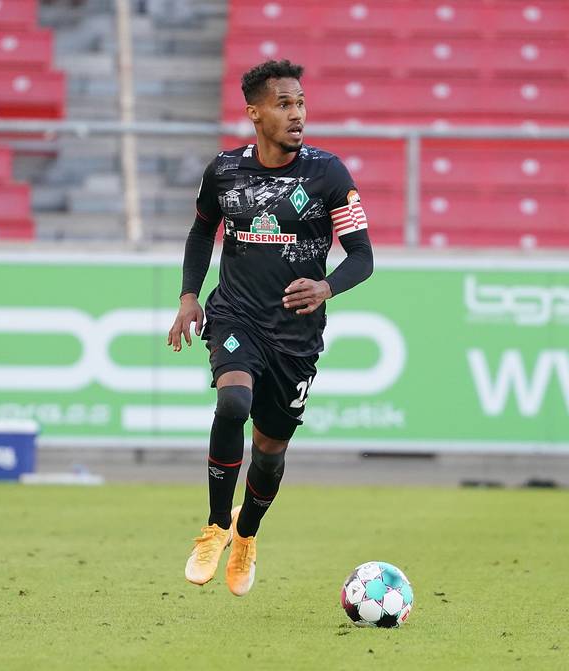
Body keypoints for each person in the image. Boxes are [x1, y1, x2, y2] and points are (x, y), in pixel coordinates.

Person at [166, 60, 374, 596]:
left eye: (300, 102)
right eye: (284, 104)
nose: (297, 113)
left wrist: (327, 286)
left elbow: (362, 257)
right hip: (236, 315)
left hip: (296, 336)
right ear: (255, 113)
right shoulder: (225, 172)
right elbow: (200, 232)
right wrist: (190, 296)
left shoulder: (329, 174)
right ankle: (214, 528)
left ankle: (247, 533)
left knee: (270, 451)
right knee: (232, 404)